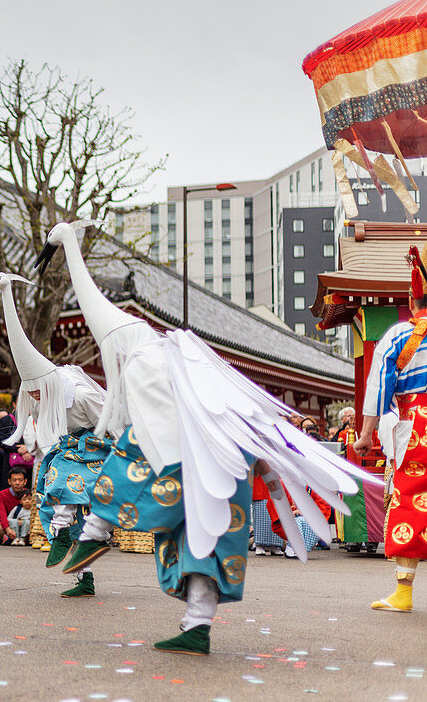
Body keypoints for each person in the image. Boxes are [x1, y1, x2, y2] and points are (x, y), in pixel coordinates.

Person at [36, 221, 373, 654]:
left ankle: (96, 530)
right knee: (199, 539)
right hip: (215, 460)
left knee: (139, 455)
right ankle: (197, 624)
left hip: (191, 457)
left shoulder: (146, 358)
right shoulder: (185, 356)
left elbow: (144, 435)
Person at [354, 245, 427, 613]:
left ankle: (403, 593)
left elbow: (379, 384)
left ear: (415, 296)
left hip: (418, 426)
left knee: (412, 498)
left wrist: (366, 435)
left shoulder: (402, 335)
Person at [0, 466, 30, 545]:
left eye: (20, 480)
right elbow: (1, 515)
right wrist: (7, 529)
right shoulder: (1, 495)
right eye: (14, 480)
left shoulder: (30, 495)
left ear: (25, 481)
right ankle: (12, 538)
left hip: (26, 525)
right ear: (9, 481)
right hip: (10, 525)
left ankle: (19, 539)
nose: (17, 483)